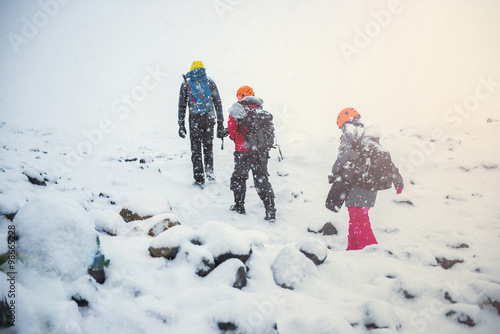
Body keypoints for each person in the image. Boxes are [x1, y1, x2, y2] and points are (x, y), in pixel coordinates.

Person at [330, 107, 404, 250]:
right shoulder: (369, 137)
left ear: (345, 122)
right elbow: (387, 162)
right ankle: (352, 252)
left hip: (357, 185)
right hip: (370, 186)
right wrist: (397, 180)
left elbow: (342, 157)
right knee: (355, 222)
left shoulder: (350, 134)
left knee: (359, 222)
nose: (342, 130)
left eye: (342, 127)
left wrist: (335, 171)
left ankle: (373, 254)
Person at [227, 86, 276, 221]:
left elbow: (232, 132)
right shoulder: (261, 111)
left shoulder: (236, 110)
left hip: (242, 151)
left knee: (239, 178)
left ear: (241, 96)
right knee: (262, 180)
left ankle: (239, 205)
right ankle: (270, 210)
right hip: (260, 152)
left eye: (238, 96)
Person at [178, 61, 227, 188]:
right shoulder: (209, 82)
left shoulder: (186, 83)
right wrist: (220, 122)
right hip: (209, 118)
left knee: (196, 149)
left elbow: (182, 105)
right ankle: (209, 171)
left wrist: (181, 124)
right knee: (208, 146)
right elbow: (218, 103)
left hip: (194, 119)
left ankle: (199, 178)